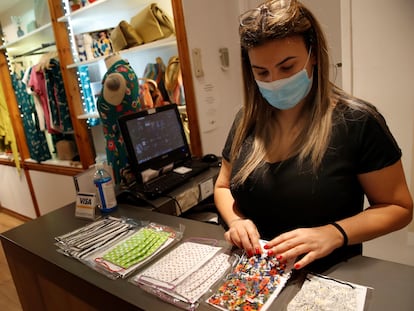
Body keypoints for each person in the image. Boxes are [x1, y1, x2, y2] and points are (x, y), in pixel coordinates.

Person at [214, 0, 413, 272]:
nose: (274, 81)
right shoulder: (246, 119)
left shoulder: (358, 121)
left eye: (287, 67)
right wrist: (237, 222)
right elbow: (223, 187)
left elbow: (398, 207)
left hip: (326, 275)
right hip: (256, 275)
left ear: (314, 54)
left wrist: (333, 233)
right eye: (261, 72)